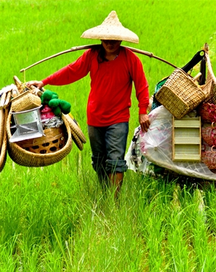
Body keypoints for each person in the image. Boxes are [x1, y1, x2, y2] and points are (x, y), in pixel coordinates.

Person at [26, 11, 150, 194]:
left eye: (114, 39)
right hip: (95, 117)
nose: (109, 43)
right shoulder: (91, 56)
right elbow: (71, 71)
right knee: (99, 160)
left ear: (121, 40)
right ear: (100, 39)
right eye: (106, 39)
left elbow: (142, 87)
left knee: (115, 160)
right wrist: (45, 81)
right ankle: (105, 192)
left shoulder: (131, 60)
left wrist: (142, 111)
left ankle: (114, 201)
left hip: (118, 118)